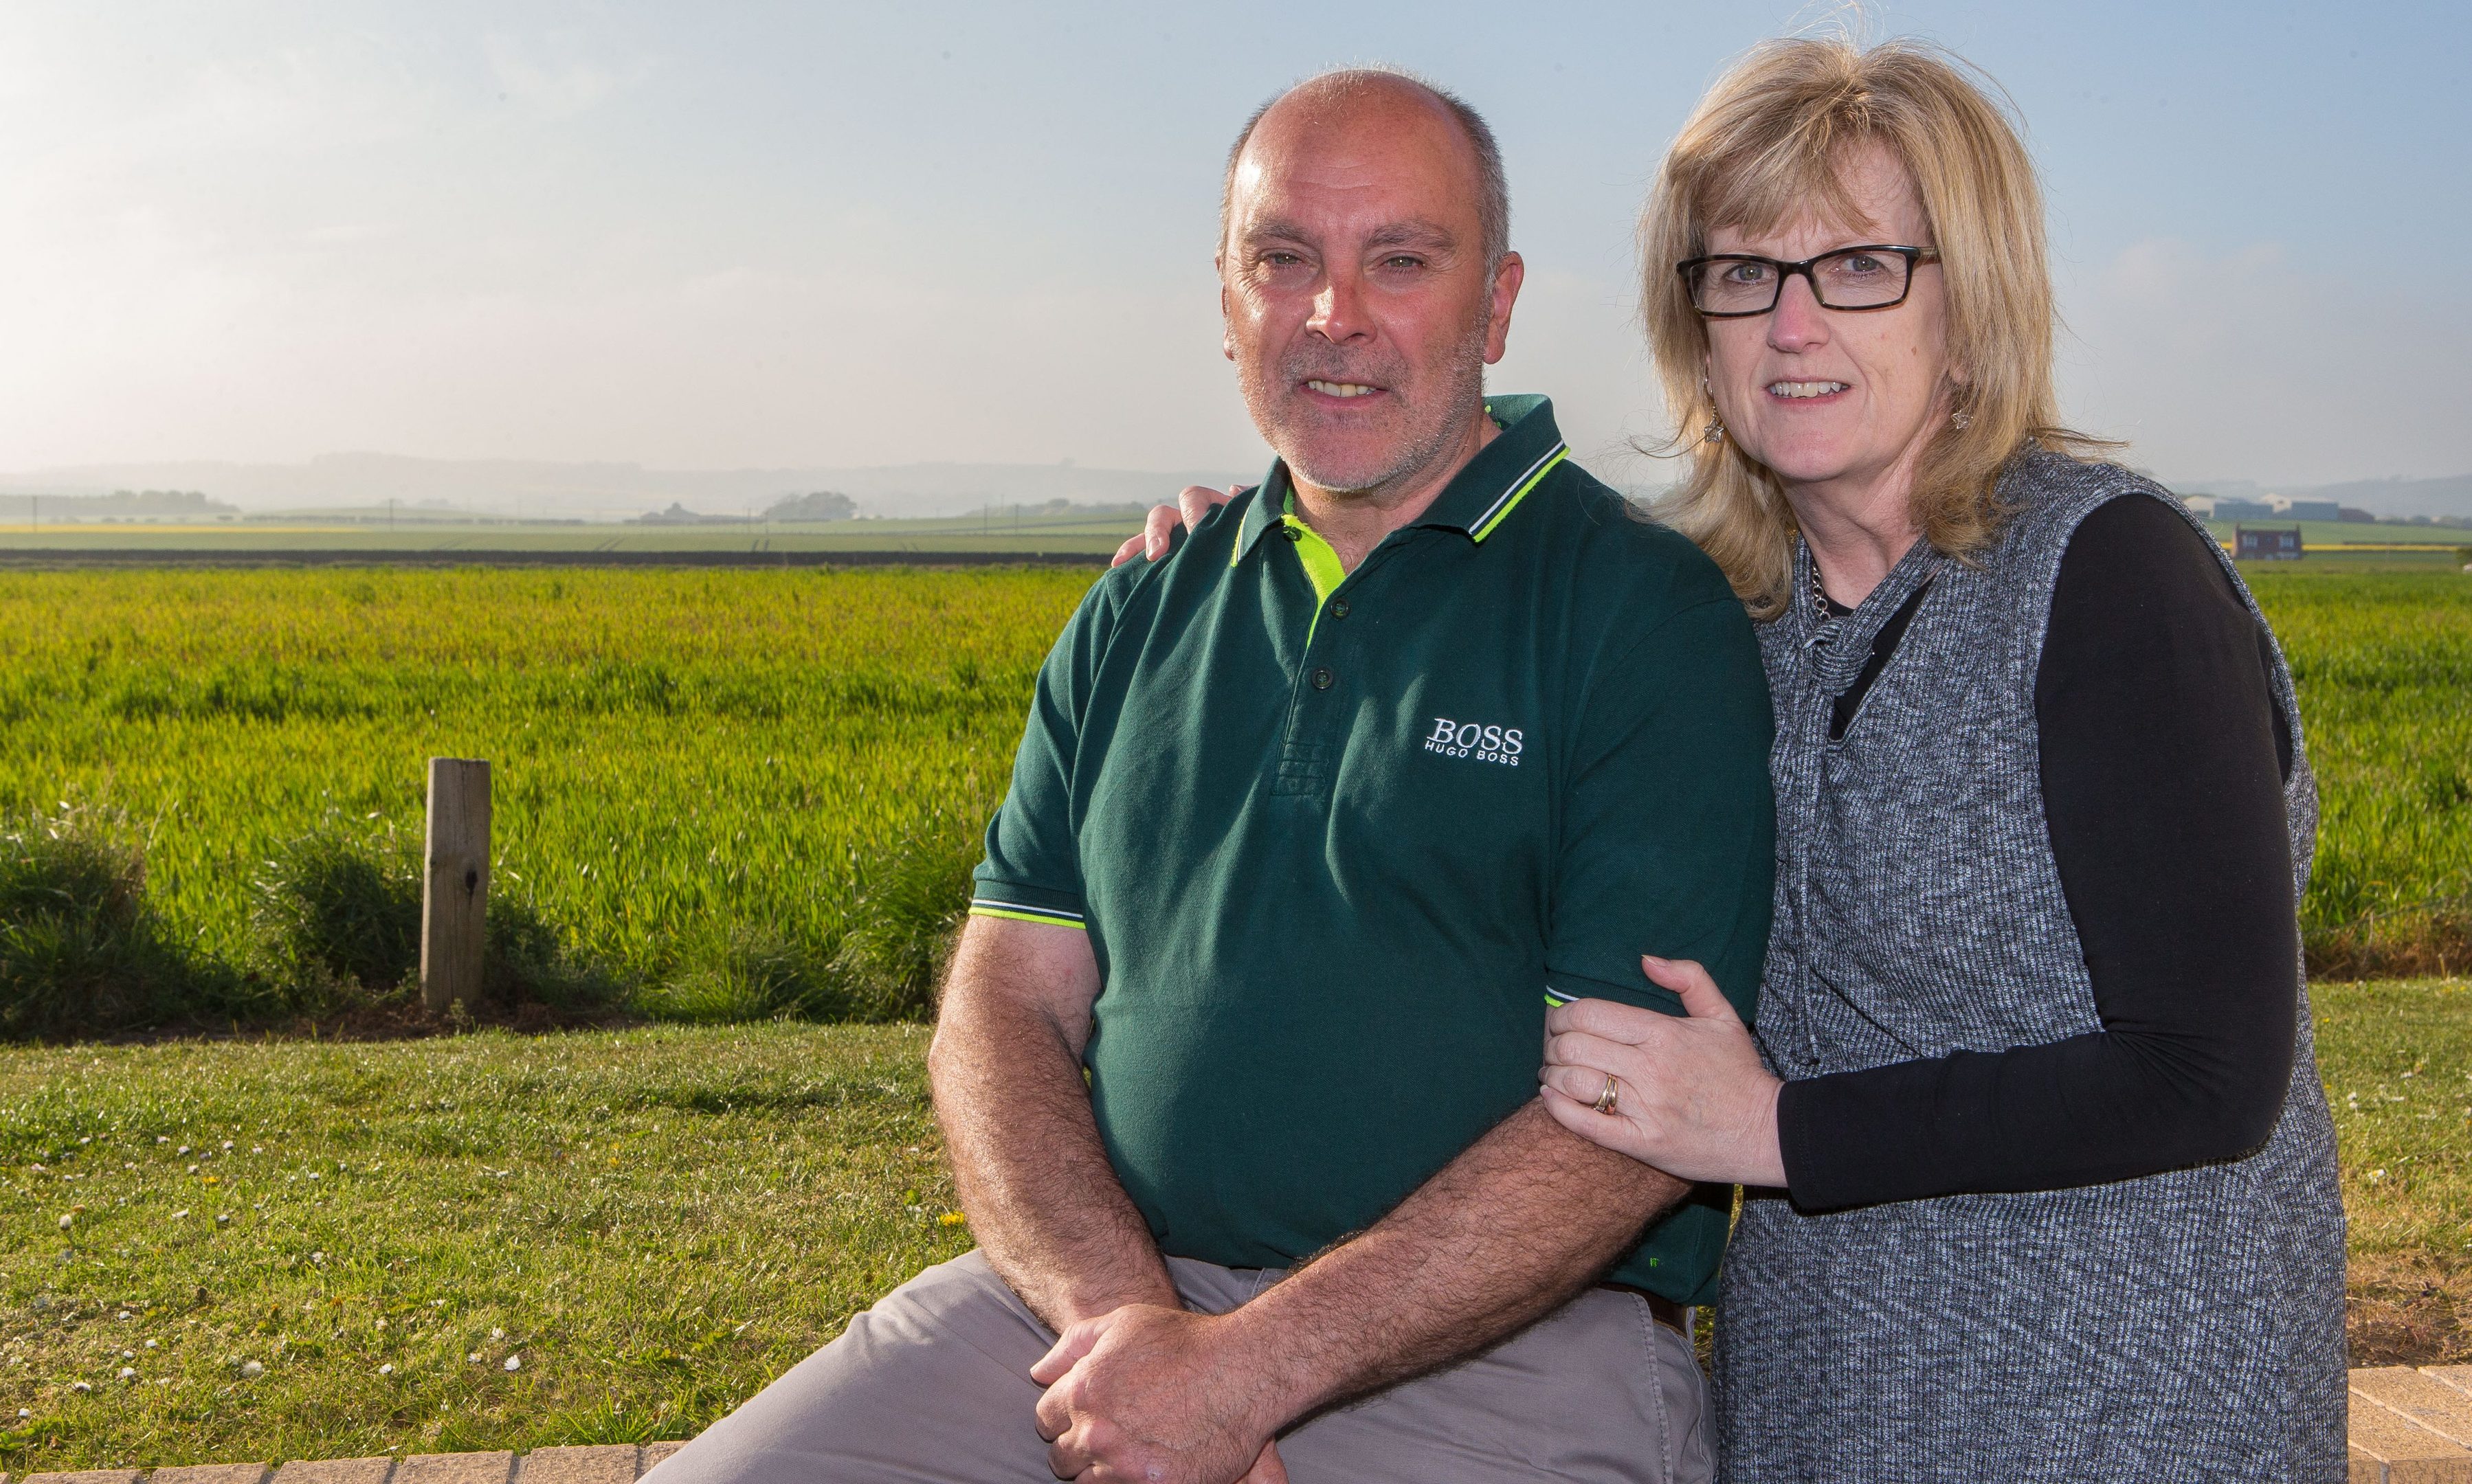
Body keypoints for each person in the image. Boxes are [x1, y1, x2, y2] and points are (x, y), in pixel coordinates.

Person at [1122, 34, 2346, 1484]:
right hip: (1822, 1401)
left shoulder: (2105, 573)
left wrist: (1770, 1126)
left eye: (1857, 268)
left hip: (2123, 1393)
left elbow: (2205, 1072)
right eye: (1741, 274)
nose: (1791, 326)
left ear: (1971, 295)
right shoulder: (1724, 619)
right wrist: (1267, 534)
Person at [645, 68, 1774, 1484]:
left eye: (1399, 262)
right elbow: (999, 1001)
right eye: (1281, 260)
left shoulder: (1636, 615)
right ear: (1226, 303)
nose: (1331, 316)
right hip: (1086, 1316)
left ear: (1493, 303)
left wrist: (1250, 1373)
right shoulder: (1143, 604)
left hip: (1506, 1355)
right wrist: (1138, 1341)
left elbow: (1631, 1125)